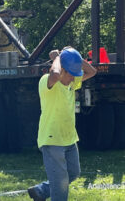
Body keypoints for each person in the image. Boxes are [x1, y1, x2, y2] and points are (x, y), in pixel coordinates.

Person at [28, 47, 97, 201]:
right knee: (60, 185)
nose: (74, 78)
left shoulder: (72, 83)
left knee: (73, 173)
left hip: (69, 138)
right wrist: (58, 57)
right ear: (64, 70)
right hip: (52, 140)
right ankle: (46, 192)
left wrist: (74, 57)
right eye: (72, 74)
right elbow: (55, 74)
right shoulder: (47, 82)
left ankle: (41, 191)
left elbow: (92, 71)